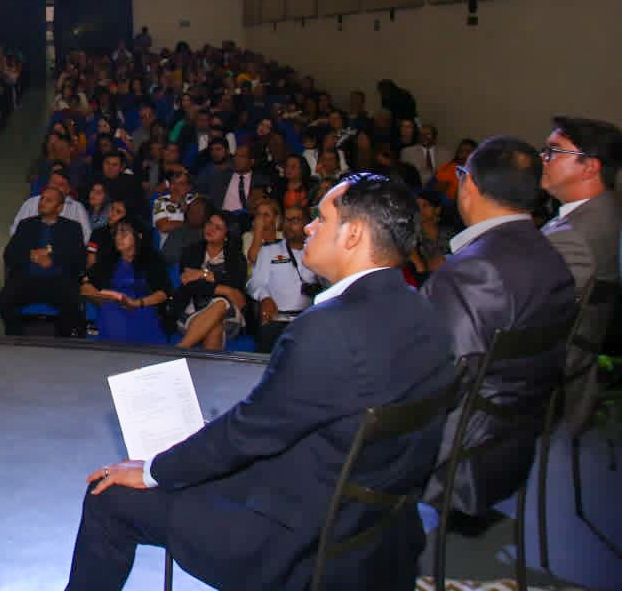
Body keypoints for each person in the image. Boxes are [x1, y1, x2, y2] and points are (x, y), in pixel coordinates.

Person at [68, 173, 456, 591]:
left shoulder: (326, 329)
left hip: (294, 539)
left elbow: (246, 434)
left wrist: (153, 470)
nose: (308, 227)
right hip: (377, 530)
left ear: (353, 235)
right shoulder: (428, 314)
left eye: (320, 219)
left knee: (107, 496)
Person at [419, 137, 575, 518]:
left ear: (469, 185)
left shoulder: (472, 272)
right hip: (514, 445)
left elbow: (429, 382)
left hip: (460, 457)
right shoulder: (551, 257)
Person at [538, 117, 622, 433]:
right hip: (584, 353)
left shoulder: (576, 233)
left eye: (554, 152)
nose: (543, 159)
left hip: (555, 369)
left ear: (590, 167)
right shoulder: (608, 212)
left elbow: (537, 310)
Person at [0, 187, 87, 337]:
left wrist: (51, 256)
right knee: (3, 300)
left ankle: (61, 339)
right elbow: (9, 254)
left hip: (58, 281)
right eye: (42, 198)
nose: (42, 202)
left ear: (59, 208)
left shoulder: (72, 228)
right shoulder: (26, 225)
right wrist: (31, 255)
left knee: (72, 302)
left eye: (48, 200)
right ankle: (16, 336)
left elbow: (78, 257)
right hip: (27, 280)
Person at [80, 222, 171, 344]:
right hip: (112, 305)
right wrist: (104, 298)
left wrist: (136, 303)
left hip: (143, 305)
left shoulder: (152, 260)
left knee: (139, 316)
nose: (118, 237)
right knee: (110, 310)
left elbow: (164, 292)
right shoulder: (108, 260)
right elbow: (85, 286)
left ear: (139, 236)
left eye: (124, 232)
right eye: (116, 233)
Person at [172, 210, 249, 350]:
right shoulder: (191, 251)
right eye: (209, 223)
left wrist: (202, 274)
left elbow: (235, 283)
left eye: (218, 227)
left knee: (220, 303)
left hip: (229, 314)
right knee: (214, 328)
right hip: (192, 309)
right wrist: (224, 289)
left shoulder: (236, 257)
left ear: (227, 235)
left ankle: (181, 349)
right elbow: (189, 284)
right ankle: (187, 352)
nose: (210, 229)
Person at [248, 205, 319, 353]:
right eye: (287, 220)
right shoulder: (269, 250)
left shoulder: (318, 252)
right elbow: (255, 283)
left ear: (307, 224)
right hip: (277, 319)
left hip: (309, 320)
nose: (289, 225)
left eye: (295, 220)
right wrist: (265, 298)